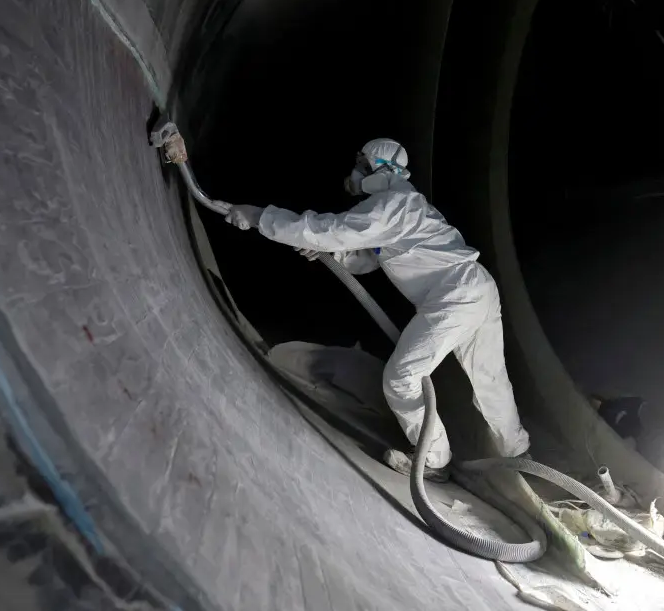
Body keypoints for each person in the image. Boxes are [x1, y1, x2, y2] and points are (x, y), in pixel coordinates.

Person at [224, 138, 530, 480]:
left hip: (456, 295)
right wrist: (331, 253)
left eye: (361, 164)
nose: (354, 172)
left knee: (402, 377)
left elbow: (332, 230)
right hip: (476, 287)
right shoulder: (402, 206)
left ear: (377, 169)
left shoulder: (394, 204)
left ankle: (434, 459)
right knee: (489, 377)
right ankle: (518, 454)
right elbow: (368, 255)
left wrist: (260, 217)